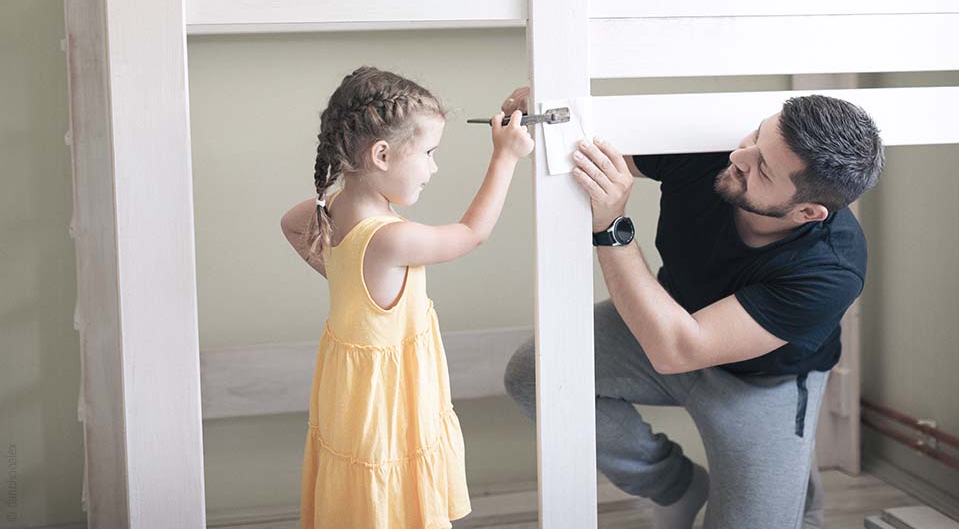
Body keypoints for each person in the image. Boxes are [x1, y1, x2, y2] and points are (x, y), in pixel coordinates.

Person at [503, 88, 884, 529]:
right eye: (756, 136)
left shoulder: (834, 268)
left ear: (807, 212)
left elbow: (678, 350)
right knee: (536, 374)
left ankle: (793, 499)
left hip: (763, 382)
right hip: (667, 317)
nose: (740, 157)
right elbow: (587, 161)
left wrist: (611, 226)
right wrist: (551, 111)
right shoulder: (718, 154)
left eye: (762, 168)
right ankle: (678, 489)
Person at [280, 67, 534, 528]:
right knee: (391, 502)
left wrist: (341, 278)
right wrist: (505, 158)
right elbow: (471, 234)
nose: (434, 167)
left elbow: (290, 223)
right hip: (385, 403)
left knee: (362, 500)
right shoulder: (389, 238)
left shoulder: (332, 207)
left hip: (350, 395)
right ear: (382, 154)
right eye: (429, 153)